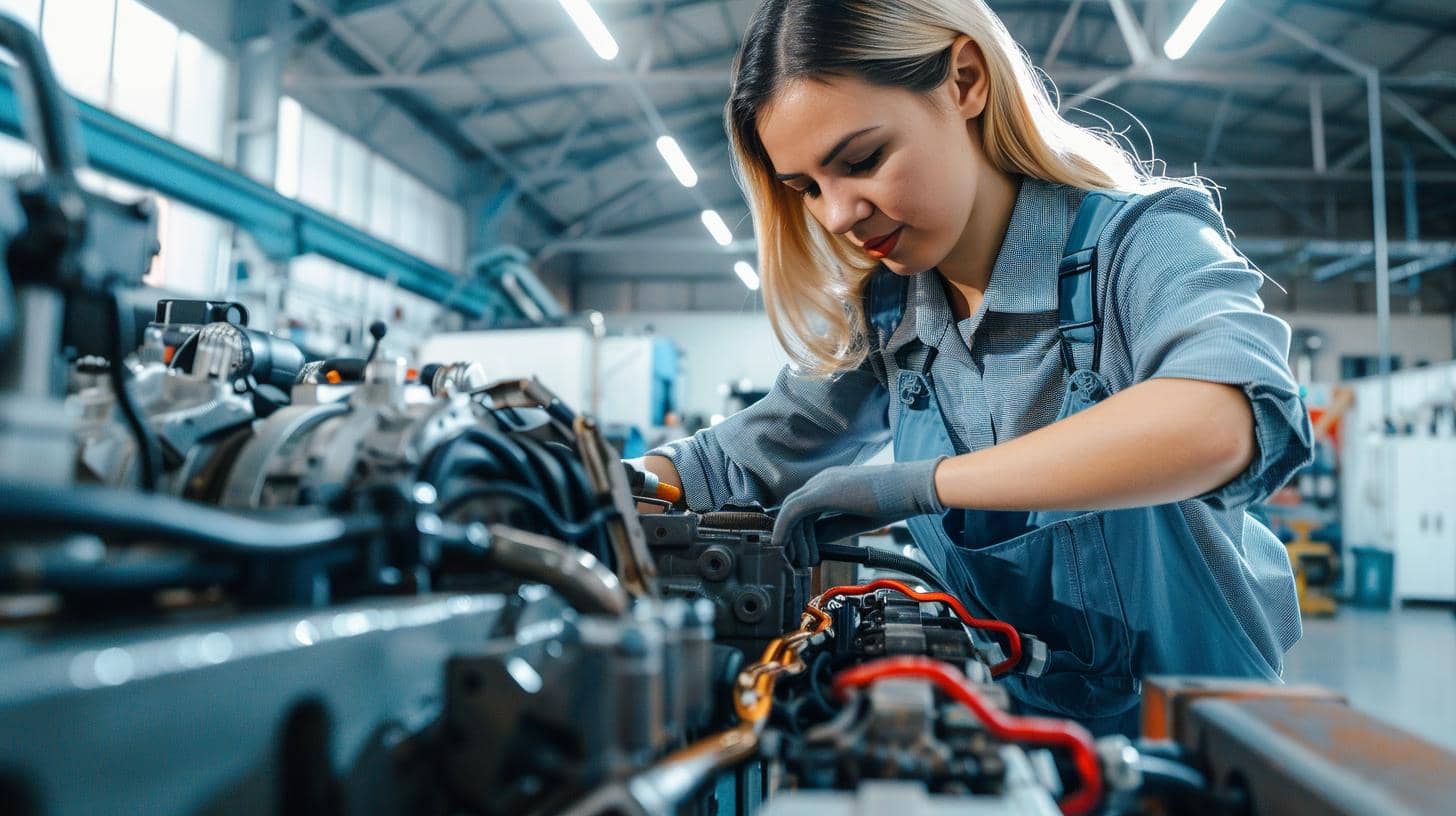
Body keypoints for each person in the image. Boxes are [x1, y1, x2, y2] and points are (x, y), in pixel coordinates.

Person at [636, 0, 1313, 737]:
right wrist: (603, 478)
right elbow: (734, 460)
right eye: (809, 188)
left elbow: (1219, 421)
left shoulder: (1143, 244)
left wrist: (919, 485)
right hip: (1004, 741)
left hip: (1196, 747)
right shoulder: (892, 316)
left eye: (860, 161)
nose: (836, 214)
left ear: (964, 80)